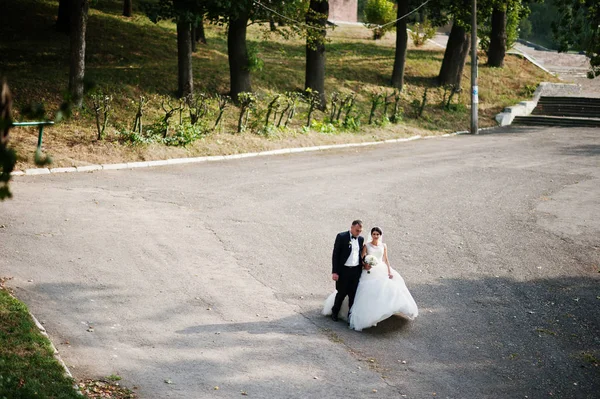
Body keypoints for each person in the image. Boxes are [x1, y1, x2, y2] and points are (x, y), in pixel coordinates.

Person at [325, 220, 365, 322]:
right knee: (341, 293)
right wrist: (335, 271)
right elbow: (336, 255)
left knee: (353, 295)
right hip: (344, 270)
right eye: (357, 230)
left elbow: (359, 254)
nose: (358, 233)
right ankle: (335, 312)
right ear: (351, 227)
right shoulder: (341, 237)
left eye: (360, 231)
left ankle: (350, 316)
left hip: (355, 271)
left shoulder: (361, 239)